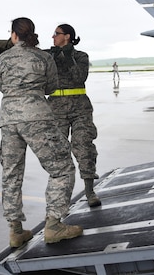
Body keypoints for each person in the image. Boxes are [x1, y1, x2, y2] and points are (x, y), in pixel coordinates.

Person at [0, 17, 83, 248]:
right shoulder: (43, 57)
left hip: (8, 119)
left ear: (14, 35)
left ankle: (15, 231)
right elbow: (51, 87)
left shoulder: (3, 58)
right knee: (62, 168)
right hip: (36, 117)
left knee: (11, 174)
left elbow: (2, 87)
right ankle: (54, 225)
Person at [46, 24, 101, 207]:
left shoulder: (80, 56)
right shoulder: (48, 56)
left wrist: (68, 57)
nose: (53, 37)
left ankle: (89, 191)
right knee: (58, 152)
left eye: (56, 34)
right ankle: (61, 198)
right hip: (56, 109)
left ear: (67, 36)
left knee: (83, 146)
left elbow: (79, 77)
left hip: (79, 108)